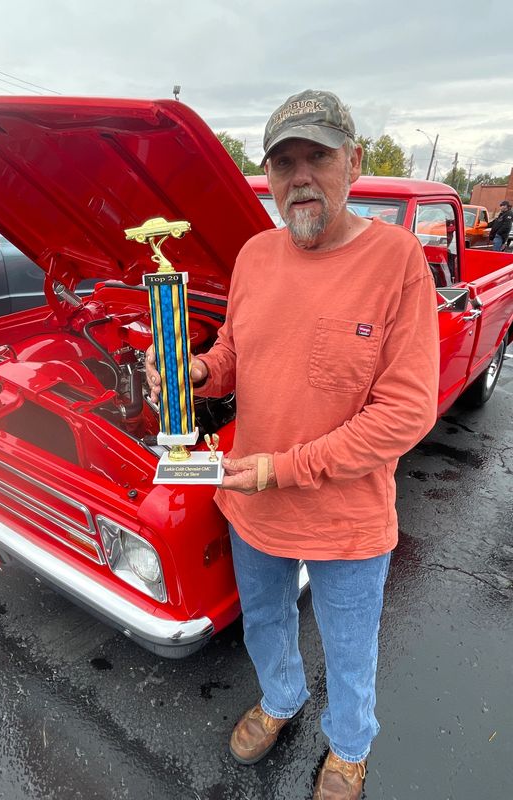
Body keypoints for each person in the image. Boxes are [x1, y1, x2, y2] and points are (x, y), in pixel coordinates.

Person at [146, 89, 440, 799]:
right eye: (284, 163)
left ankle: (349, 746)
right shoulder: (255, 254)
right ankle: (280, 699)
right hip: (255, 505)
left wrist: (286, 468)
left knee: (349, 644)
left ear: (354, 162)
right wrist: (198, 371)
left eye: (318, 157)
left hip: (346, 518)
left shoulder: (397, 261)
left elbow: (406, 413)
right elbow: (237, 348)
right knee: (267, 621)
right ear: (270, 175)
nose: (299, 176)